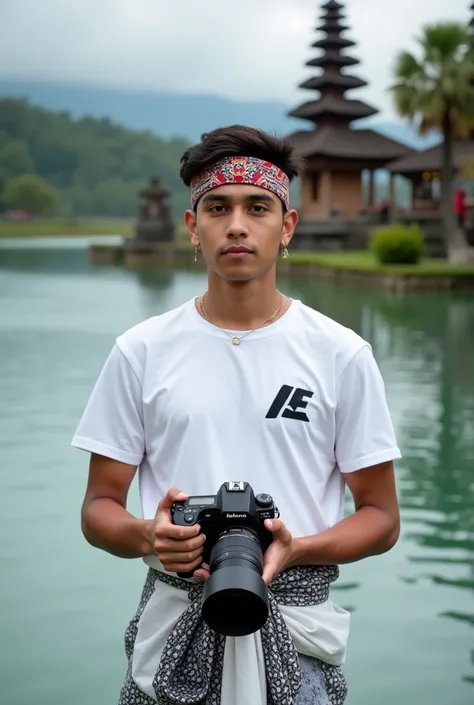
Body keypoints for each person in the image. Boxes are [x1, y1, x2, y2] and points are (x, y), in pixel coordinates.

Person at [71, 125, 402, 705]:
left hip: (298, 636)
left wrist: (298, 548)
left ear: (287, 226)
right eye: (218, 208)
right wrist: (151, 534)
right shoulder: (141, 351)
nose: (238, 225)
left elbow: (381, 517)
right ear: (193, 227)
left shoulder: (340, 354)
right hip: (174, 625)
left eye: (258, 207)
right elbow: (99, 508)